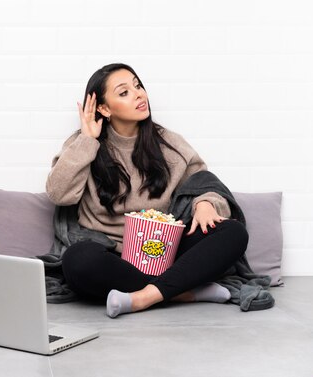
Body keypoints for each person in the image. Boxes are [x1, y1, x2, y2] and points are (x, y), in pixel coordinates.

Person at [45, 63, 249, 318]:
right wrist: (88, 140)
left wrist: (205, 203)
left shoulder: (169, 142)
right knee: (78, 261)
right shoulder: (82, 145)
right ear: (104, 108)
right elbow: (59, 193)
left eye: (138, 85)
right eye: (124, 92)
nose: (139, 94)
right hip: (115, 258)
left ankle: (144, 297)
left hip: (168, 253)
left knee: (233, 232)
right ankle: (183, 291)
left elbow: (203, 181)